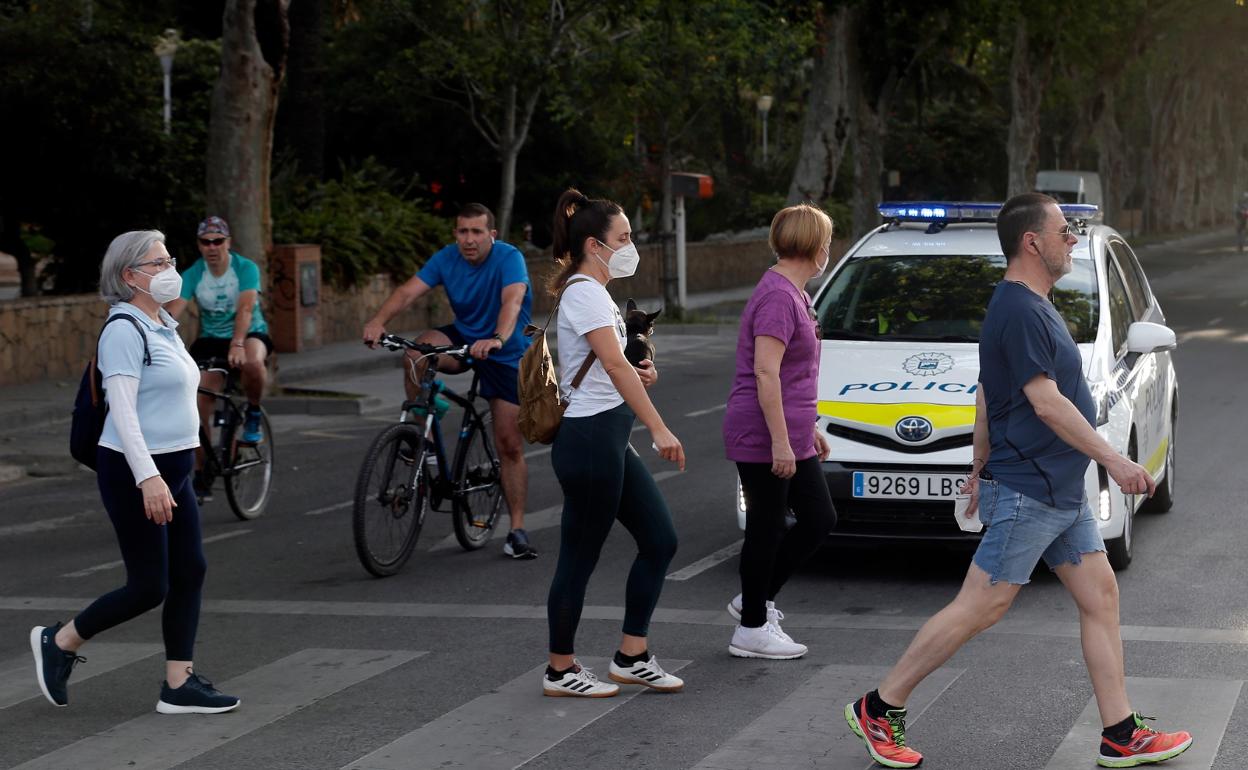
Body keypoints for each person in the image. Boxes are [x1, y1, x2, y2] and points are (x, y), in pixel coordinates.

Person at [845, 193, 1191, 769]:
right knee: (982, 605)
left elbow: (987, 391)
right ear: (1032, 242)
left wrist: (978, 465)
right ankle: (880, 706)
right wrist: (1115, 461)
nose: (1072, 241)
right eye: (1064, 232)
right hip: (1032, 488)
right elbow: (1046, 403)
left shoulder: (1031, 304)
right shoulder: (1021, 310)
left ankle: (1120, 732)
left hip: (1054, 489)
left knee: (1100, 597)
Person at [30, 230, 239, 715]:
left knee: (191, 570)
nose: (170, 268)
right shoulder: (124, 329)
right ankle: (59, 642)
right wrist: (148, 478)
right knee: (149, 585)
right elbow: (123, 412)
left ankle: (178, 684)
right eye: (158, 262)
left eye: (169, 259)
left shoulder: (161, 322)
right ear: (130, 276)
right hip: (134, 471)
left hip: (175, 469)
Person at [542, 188, 685, 698]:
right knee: (578, 559)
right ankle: (560, 670)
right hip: (589, 441)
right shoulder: (583, 291)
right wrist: (659, 427)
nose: (630, 245)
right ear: (593, 244)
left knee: (660, 540)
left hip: (607, 437)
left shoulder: (597, 294)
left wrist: (640, 373)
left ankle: (632, 655)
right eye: (622, 238)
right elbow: (613, 364)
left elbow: (618, 368)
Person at [363, 203, 538, 559]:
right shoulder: (447, 258)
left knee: (508, 444)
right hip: (464, 338)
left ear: (492, 235)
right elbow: (408, 292)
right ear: (455, 234)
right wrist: (377, 321)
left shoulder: (509, 258)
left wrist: (498, 339)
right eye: (462, 232)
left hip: (505, 349)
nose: (469, 240)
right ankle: (422, 430)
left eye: (476, 232)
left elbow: (512, 301)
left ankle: (517, 530)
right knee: (416, 354)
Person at [722, 204, 836, 660]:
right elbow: (766, 374)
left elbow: (794, 375)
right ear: (815, 246)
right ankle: (751, 627)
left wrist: (810, 427)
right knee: (767, 527)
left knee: (818, 517)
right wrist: (782, 442)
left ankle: (754, 601)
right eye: (827, 240)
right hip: (764, 432)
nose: (830, 248)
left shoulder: (796, 293)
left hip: (790, 428)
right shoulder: (777, 297)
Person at [166, 216, 273, 499]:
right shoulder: (193, 274)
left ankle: (252, 412)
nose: (212, 247)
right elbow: (173, 311)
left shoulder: (244, 268)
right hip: (211, 340)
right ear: (199, 245)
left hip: (249, 332)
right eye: (206, 242)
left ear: (228, 243)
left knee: (252, 361)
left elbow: (246, 309)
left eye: (218, 241)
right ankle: (202, 469)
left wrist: (237, 343)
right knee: (198, 401)